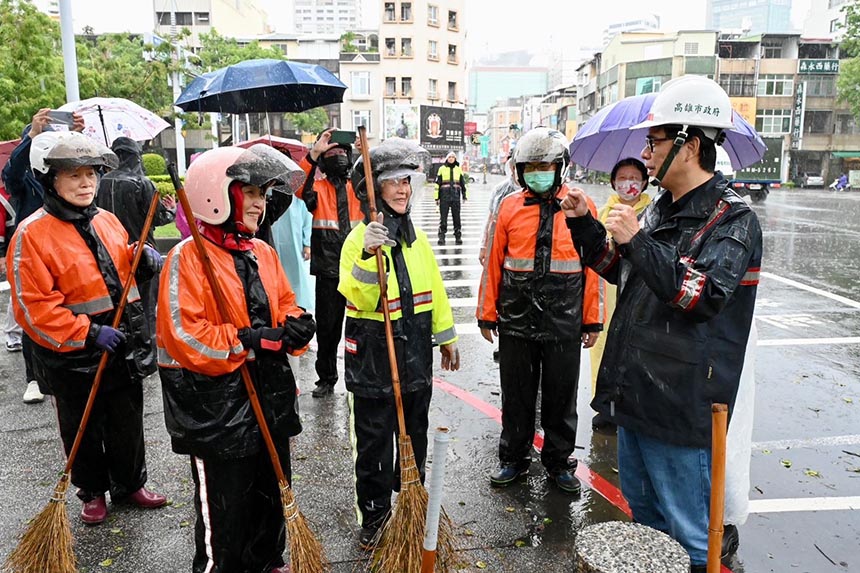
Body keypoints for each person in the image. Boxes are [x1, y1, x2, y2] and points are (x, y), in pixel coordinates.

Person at [561, 75, 763, 572]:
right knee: (647, 525)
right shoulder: (660, 211)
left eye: (654, 141)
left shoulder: (731, 219)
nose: (645, 153)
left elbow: (702, 295)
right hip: (636, 394)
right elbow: (624, 272)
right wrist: (586, 222)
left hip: (682, 403)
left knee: (690, 537)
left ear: (689, 145)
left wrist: (638, 241)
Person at [156, 145, 315, 573]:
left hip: (270, 396)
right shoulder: (185, 259)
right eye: (251, 192)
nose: (261, 204)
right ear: (216, 194)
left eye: (264, 194)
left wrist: (296, 326)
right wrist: (248, 341)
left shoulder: (260, 252)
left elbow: (284, 303)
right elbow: (187, 336)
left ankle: (269, 562)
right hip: (218, 410)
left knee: (270, 495)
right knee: (226, 515)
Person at [8, 131, 167, 525]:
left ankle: (130, 483)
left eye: (91, 175)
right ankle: (92, 490)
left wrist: (141, 259)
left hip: (121, 341)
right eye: (75, 175)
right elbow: (33, 307)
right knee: (82, 426)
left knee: (126, 420)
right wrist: (87, 333)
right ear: (51, 180)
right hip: (73, 352)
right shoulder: (31, 234)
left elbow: (121, 268)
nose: (86, 183)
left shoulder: (107, 221)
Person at [342, 139, 460, 548]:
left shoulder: (418, 241)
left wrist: (446, 338)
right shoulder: (358, 241)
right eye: (391, 182)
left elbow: (436, 294)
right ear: (370, 189)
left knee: (415, 435)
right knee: (374, 442)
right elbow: (357, 297)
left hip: (413, 360)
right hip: (373, 359)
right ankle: (373, 518)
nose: (402, 189)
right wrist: (371, 253)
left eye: (406, 181)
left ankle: (409, 499)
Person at [476, 127, 602, 494]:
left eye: (545, 165)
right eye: (530, 167)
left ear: (560, 167)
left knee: (562, 399)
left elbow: (592, 266)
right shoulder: (510, 206)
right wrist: (486, 313)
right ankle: (512, 458)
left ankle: (559, 462)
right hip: (516, 320)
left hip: (565, 320)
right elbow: (494, 263)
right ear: (519, 171)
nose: (537, 172)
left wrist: (592, 319)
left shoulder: (581, 206)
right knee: (516, 396)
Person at [1, 108, 85, 404]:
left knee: (70, 309)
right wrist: (33, 135)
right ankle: (33, 377)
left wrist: (79, 136)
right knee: (33, 315)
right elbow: (10, 173)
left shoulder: (59, 177)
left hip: (68, 247)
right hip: (34, 249)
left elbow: (83, 173)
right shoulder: (22, 180)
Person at [297, 128, 365, 397]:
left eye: (342, 153)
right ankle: (326, 378)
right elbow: (297, 184)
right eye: (331, 153)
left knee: (360, 328)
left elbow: (373, 181)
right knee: (327, 330)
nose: (337, 157)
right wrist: (314, 152)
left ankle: (358, 377)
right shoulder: (316, 189)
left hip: (359, 270)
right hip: (328, 271)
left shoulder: (358, 188)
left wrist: (363, 151)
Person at [589, 158, 652, 432]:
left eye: (634, 177)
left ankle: (635, 405)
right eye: (623, 177)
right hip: (608, 293)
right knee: (604, 349)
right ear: (613, 182)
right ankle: (605, 405)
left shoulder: (653, 212)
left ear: (645, 182)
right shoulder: (604, 213)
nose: (629, 183)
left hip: (642, 293)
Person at [96, 137, 176, 344]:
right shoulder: (142, 183)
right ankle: (145, 348)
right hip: (142, 253)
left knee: (120, 302)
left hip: (109, 252)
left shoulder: (102, 182)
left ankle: (124, 342)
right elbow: (157, 217)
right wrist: (172, 211)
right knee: (147, 304)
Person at [435, 151, 467, 245]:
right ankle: (441, 237)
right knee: (443, 219)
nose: (451, 159)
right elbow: (437, 184)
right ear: (447, 159)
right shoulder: (442, 169)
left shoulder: (458, 169)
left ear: (455, 159)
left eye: (453, 157)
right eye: (450, 157)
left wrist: (464, 195)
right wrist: (436, 198)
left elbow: (462, 183)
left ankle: (458, 237)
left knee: (457, 218)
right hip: (444, 198)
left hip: (456, 198)